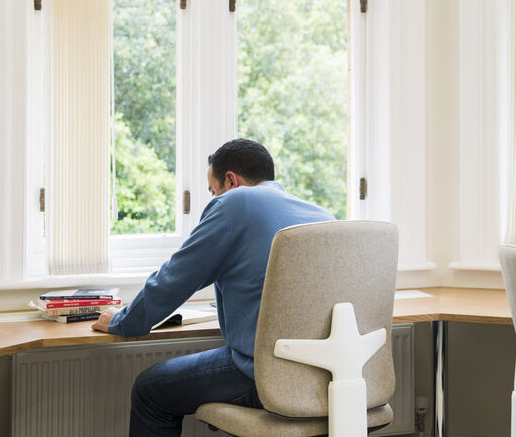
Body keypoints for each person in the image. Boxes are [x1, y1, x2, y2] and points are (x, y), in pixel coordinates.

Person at [91, 138, 335, 437]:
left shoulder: (236, 202)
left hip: (267, 375)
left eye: (213, 190)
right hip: (326, 376)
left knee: (149, 390)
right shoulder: (321, 215)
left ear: (231, 180)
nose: (215, 198)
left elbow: (174, 279)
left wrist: (121, 320)